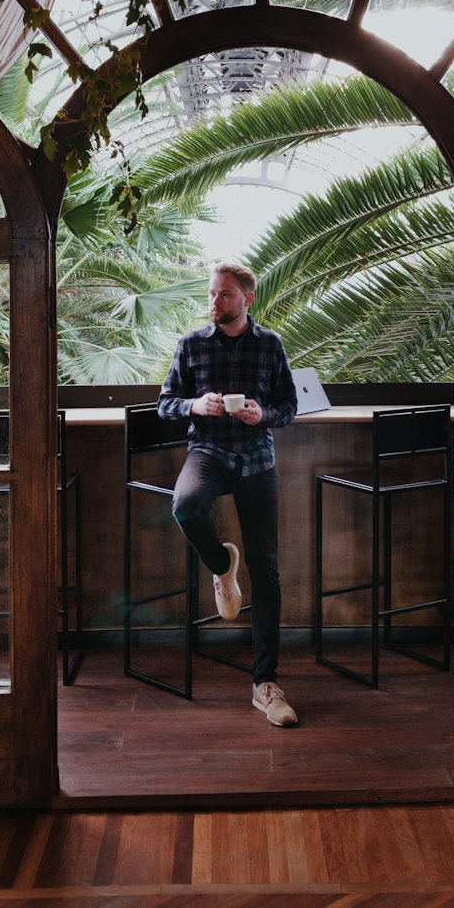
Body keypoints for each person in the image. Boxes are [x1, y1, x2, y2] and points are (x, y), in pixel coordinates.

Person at [158, 261, 299, 726]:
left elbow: (288, 406)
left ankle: (265, 684)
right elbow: (166, 403)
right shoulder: (191, 345)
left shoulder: (271, 345)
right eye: (212, 294)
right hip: (208, 452)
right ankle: (221, 567)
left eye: (224, 295)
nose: (214, 302)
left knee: (267, 569)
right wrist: (194, 404)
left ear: (247, 299)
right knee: (185, 506)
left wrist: (264, 416)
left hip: (257, 456)